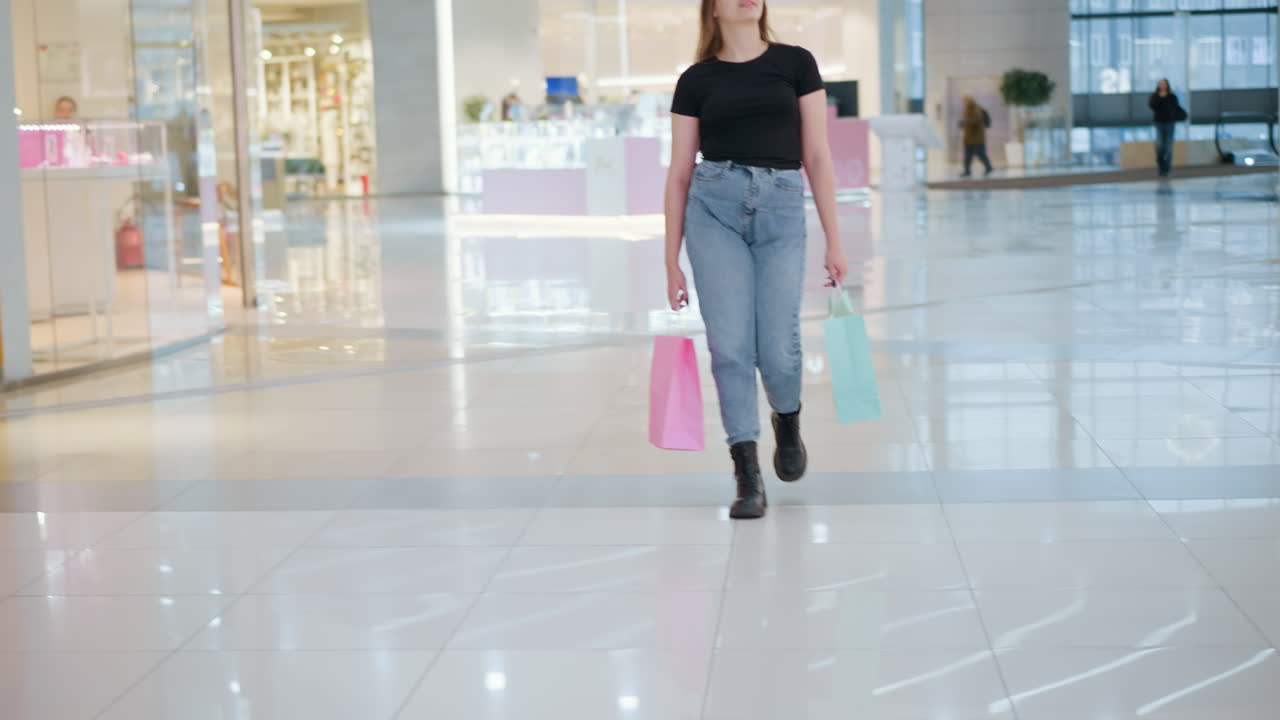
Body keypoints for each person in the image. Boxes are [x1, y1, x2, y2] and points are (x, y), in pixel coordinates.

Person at [664, 0, 847, 520]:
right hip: (713, 208)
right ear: (713, 8)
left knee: (780, 349)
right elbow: (679, 172)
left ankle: (786, 420)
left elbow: (817, 156)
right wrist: (670, 259)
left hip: (782, 206)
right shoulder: (696, 80)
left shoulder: (796, 64)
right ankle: (747, 475)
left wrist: (835, 240)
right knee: (729, 349)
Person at [1149, 79, 1184, 178]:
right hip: (1159, 123)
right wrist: (1160, 97)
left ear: (1167, 85)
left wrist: (1167, 99)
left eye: (1164, 84)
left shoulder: (1172, 97)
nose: (1163, 85)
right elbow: (1152, 106)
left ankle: (1167, 169)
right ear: (1158, 85)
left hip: (1170, 124)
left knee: (1168, 148)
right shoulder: (1155, 96)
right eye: (1161, 84)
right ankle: (1161, 166)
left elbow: (1175, 107)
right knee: (1159, 146)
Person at [959, 94, 993, 177]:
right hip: (971, 137)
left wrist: (966, 122)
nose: (962, 102)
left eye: (964, 100)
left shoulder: (974, 108)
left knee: (979, 153)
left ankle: (988, 167)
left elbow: (977, 120)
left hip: (975, 137)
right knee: (970, 155)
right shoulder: (969, 108)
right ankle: (967, 170)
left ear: (968, 100)